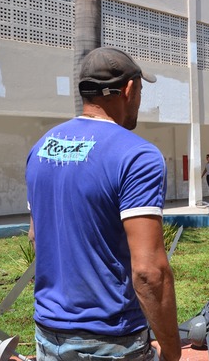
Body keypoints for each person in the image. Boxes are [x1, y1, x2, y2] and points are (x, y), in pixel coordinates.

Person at [26, 47, 181, 361]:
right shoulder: (137, 156)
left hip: (47, 337)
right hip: (111, 342)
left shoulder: (42, 147)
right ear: (128, 89)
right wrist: (172, 350)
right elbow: (149, 272)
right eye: (140, 89)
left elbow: (35, 236)